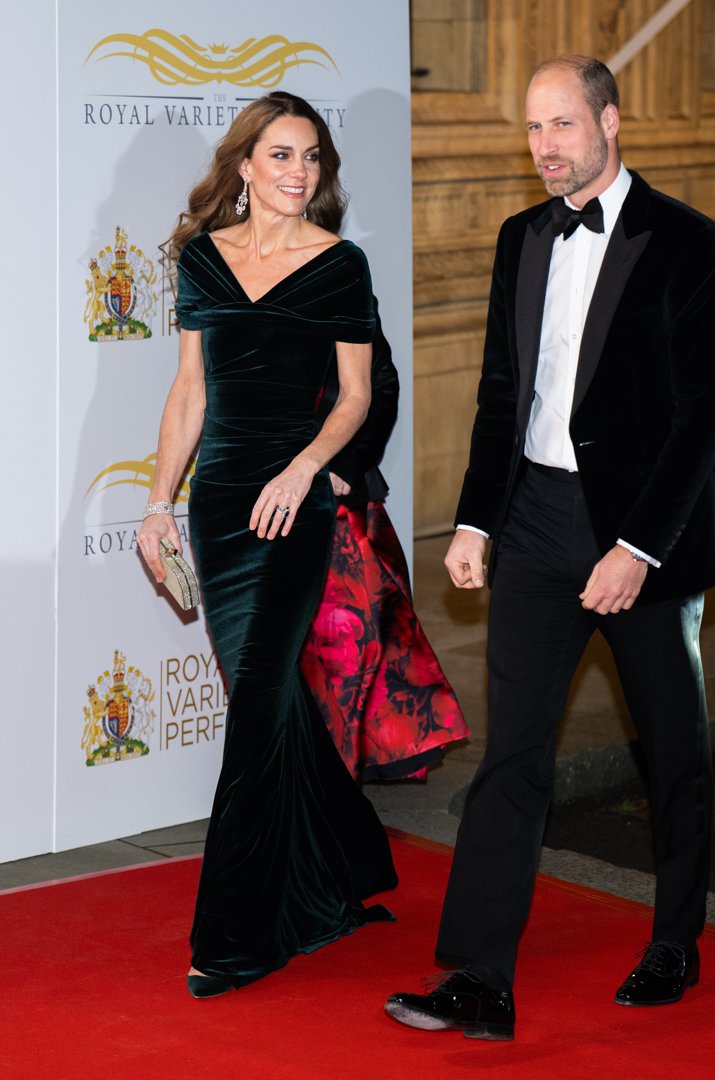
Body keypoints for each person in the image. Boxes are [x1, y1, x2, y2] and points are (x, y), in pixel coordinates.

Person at [385, 54, 715, 1040]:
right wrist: (474, 517)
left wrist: (637, 547)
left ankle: (674, 939)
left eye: (562, 127)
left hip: (642, 535)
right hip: (537, 521)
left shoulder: (689, 245)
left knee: (672, 751)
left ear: (610, 123)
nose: (545, 148)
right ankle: (479, 978)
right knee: (513, 755)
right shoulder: (519, 238)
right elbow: (506, 391)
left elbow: (702, 417)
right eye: (533, 130)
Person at [137, 91, 397, 1000]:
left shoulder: (339, 264)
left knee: (252, 705)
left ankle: (237, 935)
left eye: (312, 158)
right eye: (281, 155)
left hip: (292, 510)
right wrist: (159, 502)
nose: (299, 172)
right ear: (244, 164)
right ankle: (338, 865)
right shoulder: (203, 260)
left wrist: (307, 468)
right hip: (219, 510)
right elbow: (188, 395)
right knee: (275, 698)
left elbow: (358, 397)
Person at [300, 303, 470, 781]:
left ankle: (356, 757)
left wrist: (345, 469)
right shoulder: (239, 271)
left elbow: (382, 387)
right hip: (264, 487)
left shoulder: (346, 279)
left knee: (359, 633)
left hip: (339, 493)